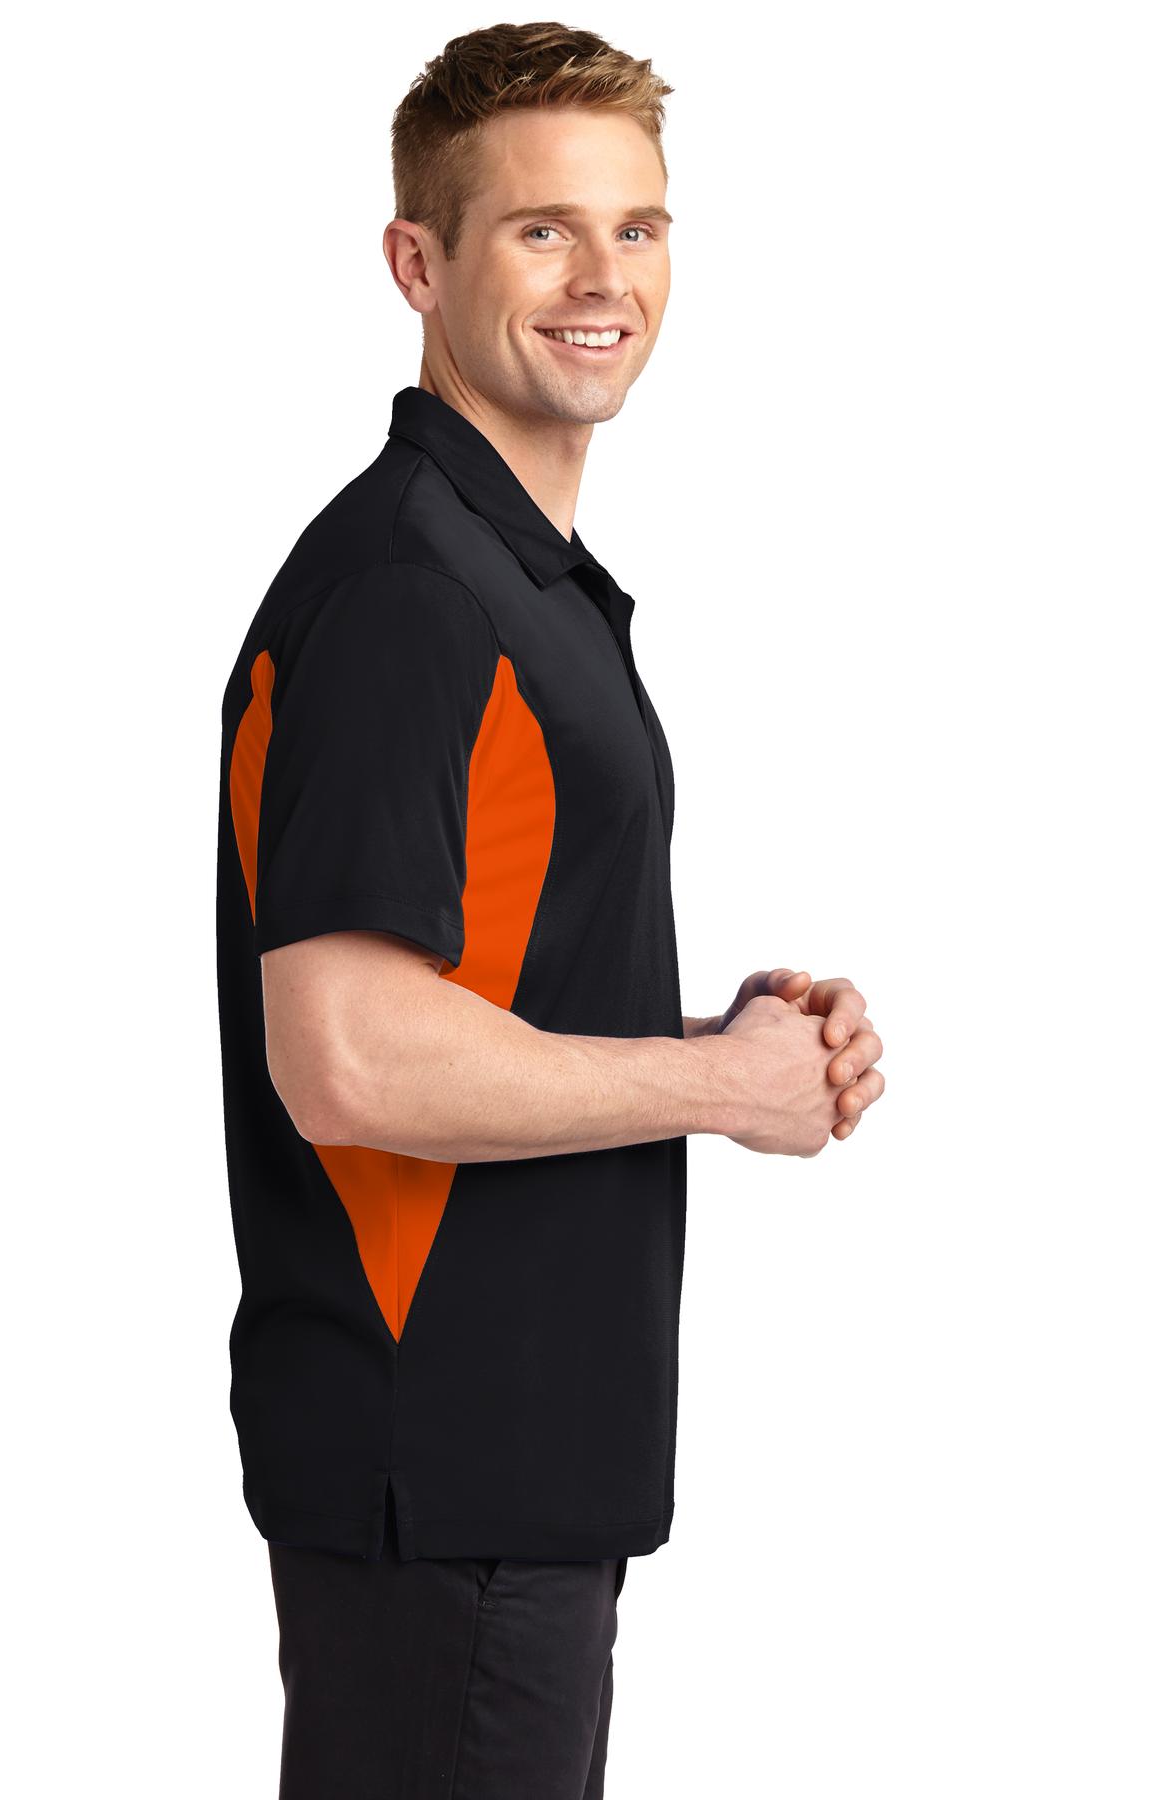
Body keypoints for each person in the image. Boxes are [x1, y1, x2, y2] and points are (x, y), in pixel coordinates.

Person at [215, 21, 886, 1799]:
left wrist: (722, 1040)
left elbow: (467, 993)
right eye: (542, 230)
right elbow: (348, 1057)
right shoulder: (409, 592)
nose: (605, 280)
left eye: (638, 228)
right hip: (442, 1482)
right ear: (416, 263)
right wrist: (714, 1091)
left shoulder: (518, 580)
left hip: (510, 1476)